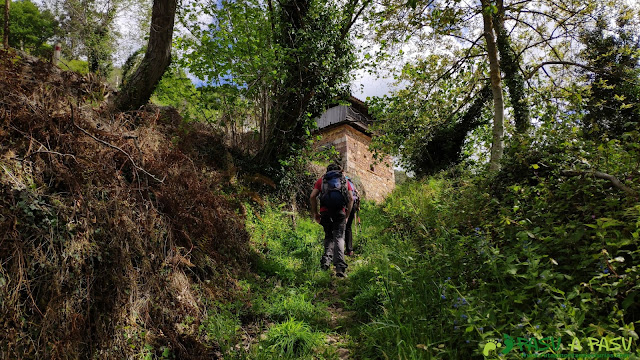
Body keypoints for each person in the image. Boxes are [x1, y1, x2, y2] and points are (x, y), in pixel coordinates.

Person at [310, 163, 354, 277]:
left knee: (329, 236)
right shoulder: (344, 180)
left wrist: (315, 213)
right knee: (339, 237)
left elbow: (312, 196)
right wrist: (347, 214)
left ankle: (325, 263)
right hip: (340, 211)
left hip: (325, 211)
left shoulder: (322, 180)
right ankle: (339, 268)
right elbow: (350, 198)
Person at [344, 176, 360, 256]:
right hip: (353, 205)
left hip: (343, 205)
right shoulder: (352, 184)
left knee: (338, 227)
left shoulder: (341, 181)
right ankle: (349, 250)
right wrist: (358, 206)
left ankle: (336, 250)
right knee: (348, 227)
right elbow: (358, 194)